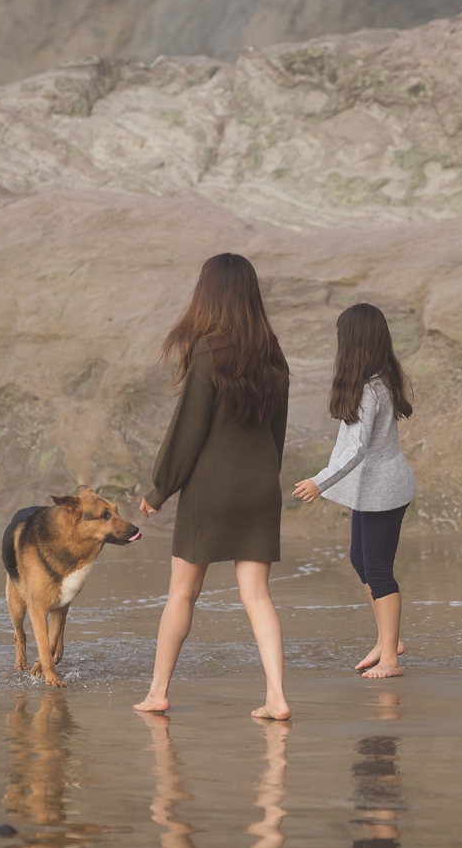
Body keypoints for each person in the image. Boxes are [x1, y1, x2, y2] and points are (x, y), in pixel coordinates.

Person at [133, 252, 292, 720]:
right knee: (258, 595)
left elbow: (189, 429)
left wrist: (161, 489)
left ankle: (158, 692)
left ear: (210, 294)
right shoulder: (272, 351)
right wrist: (266, 475)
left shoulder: (206, 350)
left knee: (182, 593)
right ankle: (277, 697)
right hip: (260, 487)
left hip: (210, 490)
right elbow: (277, 430)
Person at [292, 303, 416, 679]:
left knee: (378, 569)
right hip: (372, 489)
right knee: (360, 559)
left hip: (384, 489)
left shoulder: (371, 389)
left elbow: (357, 448)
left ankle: (391, 658)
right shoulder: (375, 380)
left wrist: (320, 480)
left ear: (354, 343)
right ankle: (387, 639)